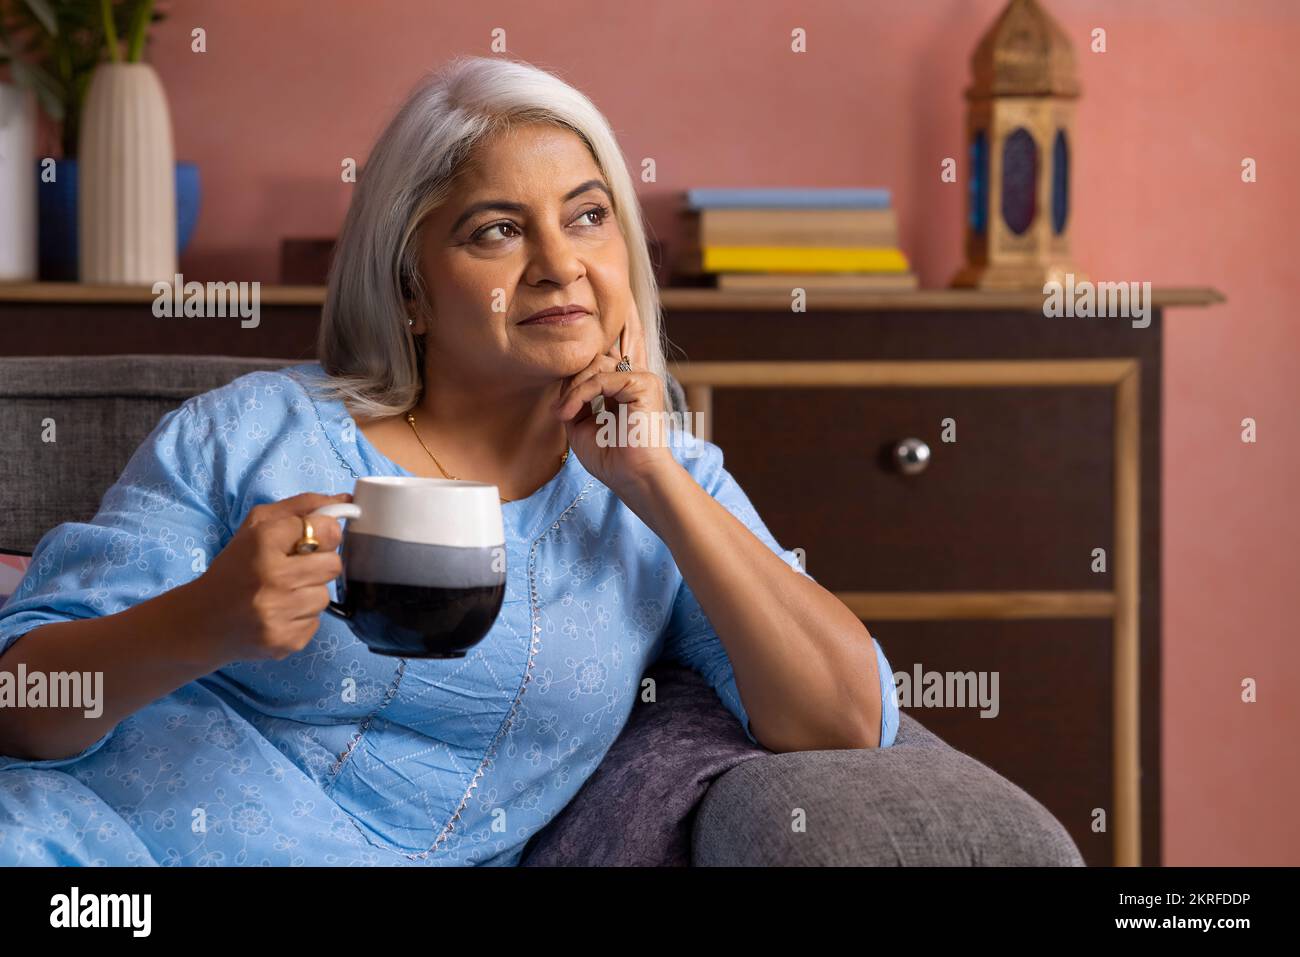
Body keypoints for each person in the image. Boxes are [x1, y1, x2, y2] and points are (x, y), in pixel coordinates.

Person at [0, 55, 899, 867]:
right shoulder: (249, 434)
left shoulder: (665, 487)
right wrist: (205, 620)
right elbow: (21, 699)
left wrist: (655, 483)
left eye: (588, 216)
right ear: (410, 290)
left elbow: (846, 721)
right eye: (497, 232)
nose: (559, 265)